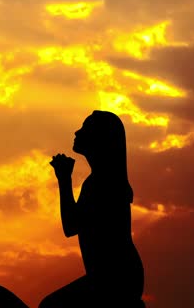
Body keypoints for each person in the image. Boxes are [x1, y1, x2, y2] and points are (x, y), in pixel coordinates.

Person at [39, 110, 145, 308]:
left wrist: (64, 179)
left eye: (86, 129)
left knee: (50, 306)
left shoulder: (103, 183)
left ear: (100, 139)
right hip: (115, 276)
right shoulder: (99, 181)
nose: (77, 132)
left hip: (116, 278)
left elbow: (70, 226)